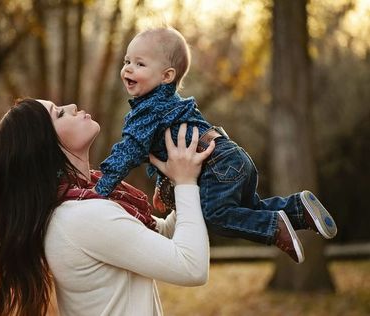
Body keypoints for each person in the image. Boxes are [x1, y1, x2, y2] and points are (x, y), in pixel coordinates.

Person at [94, 26, 338, 264]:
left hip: (215, 165)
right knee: (248, 209)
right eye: (127, 61)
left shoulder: (146, 111)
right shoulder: (170, 104)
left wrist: (99, 190)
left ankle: (274, 228)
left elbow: (127, 152)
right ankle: (298, 209)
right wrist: (162, 185)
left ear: (167, 76)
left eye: (139, 64)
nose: (128, 69)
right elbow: (167, 148)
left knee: (214, 216)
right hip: (230, 155)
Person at [0, 98, 215, 316]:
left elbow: (161, 235)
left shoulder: (87, 202)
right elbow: (191, 267)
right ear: (44, 147)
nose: (72, 106)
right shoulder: (81, 217)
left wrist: (181, 182)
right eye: (59, 113)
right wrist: (185, 183)